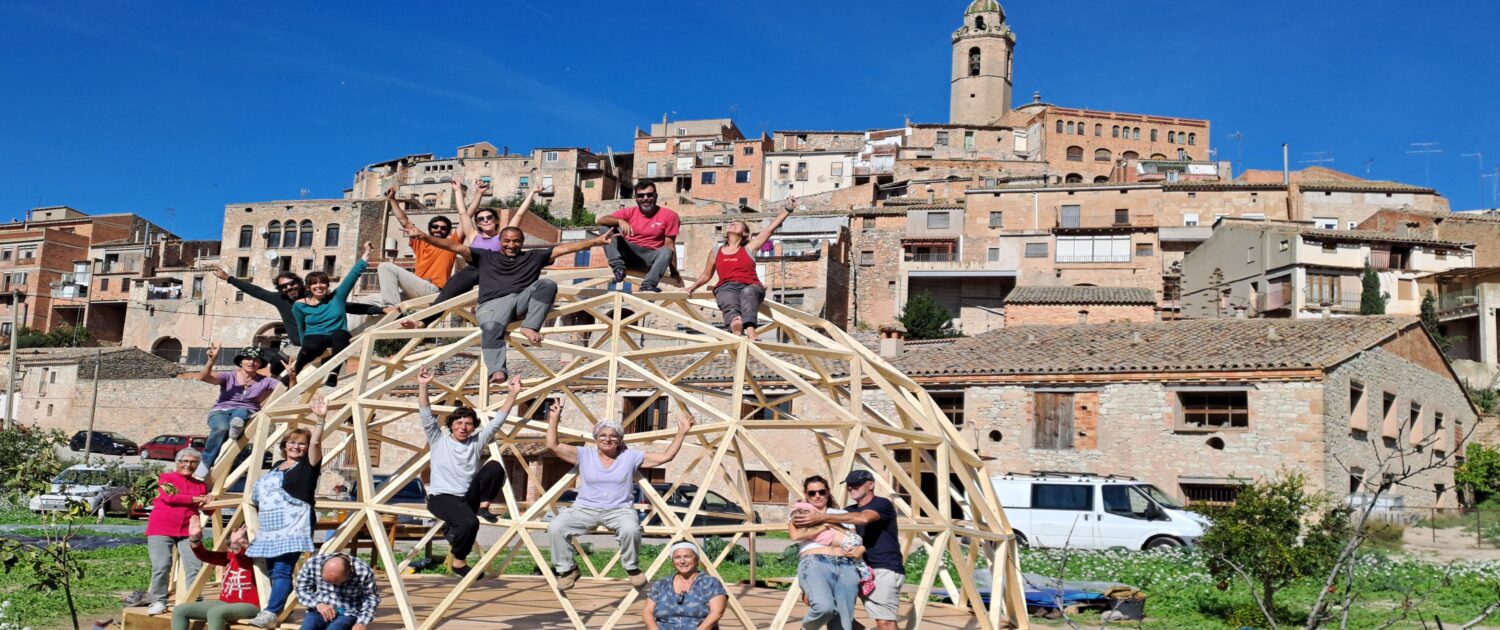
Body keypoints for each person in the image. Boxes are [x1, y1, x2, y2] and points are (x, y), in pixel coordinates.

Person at [404, 222, 612, 383]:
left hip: (520, 302)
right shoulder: (485, 256)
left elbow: (563, 249)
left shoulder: (533, 257)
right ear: (500, 241)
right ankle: (497, 370)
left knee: (547, 285)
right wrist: (424, 236)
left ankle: (530, 326)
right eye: (507, 241)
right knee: (491, 328)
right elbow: (455, 246)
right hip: (492, 305)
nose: (511, 245)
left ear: (522, 242)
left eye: (516, 241)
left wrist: (595, 242)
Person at [545, 398, 694, 589]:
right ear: (596, 438)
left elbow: (666, 456)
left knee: (631, 529)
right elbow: (553, 445)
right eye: (602, 435)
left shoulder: (630, 457)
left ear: (620, 440)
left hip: (619, 510)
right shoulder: (584, 454)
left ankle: (631, 567)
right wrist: (554, 418)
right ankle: (567, 569)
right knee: (555, 526)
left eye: (613, 436)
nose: (607, 439)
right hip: (585, 508)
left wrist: (681, 433)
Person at [417, 366, 519, 578]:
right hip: (442, 497)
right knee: (469, 523)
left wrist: (512, 394)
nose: (463, 427)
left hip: (468, 497)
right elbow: (426, 415)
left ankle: (484, 507)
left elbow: (498, 421)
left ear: (474, 427)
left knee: (494, 467)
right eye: (459, 423)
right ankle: (459, 562)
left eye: (468, 424)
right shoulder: (438, 440)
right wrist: (423, 386)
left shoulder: (476, 442)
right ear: (451, 425)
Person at [401, 177, 539, 330]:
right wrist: (457, 191)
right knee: (450, 288)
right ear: (477, 223)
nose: (485, 220)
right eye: (481, 219)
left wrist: (532, 192)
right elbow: (463, 214)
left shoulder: (503, 236)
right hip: (475, 270)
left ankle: (518, 316)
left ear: (496, 220)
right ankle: (423, 322)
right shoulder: (474, 236)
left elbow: (519, 214)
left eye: (489, 217)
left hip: (495, 270)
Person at [209, 266, 385, 380]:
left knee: (325, 364)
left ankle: (331, 375)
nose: (289, 288)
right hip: (297, 345)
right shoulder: (279, 300)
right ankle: (273, 388)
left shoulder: (315, 297)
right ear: (281, 290)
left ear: (300, 284)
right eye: (284, 286)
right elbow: (256, 291)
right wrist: (229, 279)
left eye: (292, 284)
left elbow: (350, 306)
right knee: (276, 364)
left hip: (322, 340)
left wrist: (379, 310)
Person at [245, 399, 326, 628]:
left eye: (301, 444)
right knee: (273, 570)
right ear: (284, 445)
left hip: (295, 525)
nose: (296, 447)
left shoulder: (309, 465)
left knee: (282, 570)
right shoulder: (277, 465)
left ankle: (271, 613)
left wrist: (320, 419)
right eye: (292, 442)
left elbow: (317, 442)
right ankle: (284, 608)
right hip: (271, 526)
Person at [793, 470, 904, 630]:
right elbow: (845, 536)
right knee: (839, 615)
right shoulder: (846, 512)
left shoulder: (881, 504)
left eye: (856, 484)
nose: (851, 487)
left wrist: (822, 518)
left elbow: (864, 518)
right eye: (849, 485)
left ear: (871, 485)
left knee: (885, 622)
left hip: (881, 567)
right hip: (852, 567)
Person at [684, 197, 795, 340]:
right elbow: (706, 275)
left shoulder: (749, 248)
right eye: (731, 223)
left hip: (751, 285)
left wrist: (787, 209)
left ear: (745, 233)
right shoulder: (716, 252)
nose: (733, 223)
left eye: (738, 223)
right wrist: (692, 287)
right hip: (726, 287)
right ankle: (735, 323)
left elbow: (769, 229)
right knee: (726, 297)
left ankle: (751, 330)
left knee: (748, 293)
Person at [291, 242, 373, 387]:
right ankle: (294, 371)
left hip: (336, 336)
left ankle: (334, 373)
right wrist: (304, 347)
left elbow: (352, 276)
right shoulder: (299, 305)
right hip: (315, 336)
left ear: (327, 286)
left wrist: (366, 253)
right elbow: (301, 327)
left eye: (322, 283)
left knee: (342, 335)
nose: (319, 286)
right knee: (311, 346)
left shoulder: (337, 297)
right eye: (314, 284)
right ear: (309, 287)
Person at [374, 183, 464, 311]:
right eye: (435, 227)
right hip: (417, 290)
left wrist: (476, 193)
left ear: (448, 231)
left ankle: (393, 309)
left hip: (433, 290)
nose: (439, 229)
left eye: (443, 228)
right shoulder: (421, 242)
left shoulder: (452, 244)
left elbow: (465, 217)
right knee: (369, 301)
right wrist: (392, 200)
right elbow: (404, 221)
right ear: (430, 229)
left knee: (385, 266)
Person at [788, 476, 862, 630]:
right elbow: (795, 535)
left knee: (843, 623)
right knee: (824, 608)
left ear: (828, 492)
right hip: (815, 562)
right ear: (806, 495)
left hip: (846, 565)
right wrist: (826, 525)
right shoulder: (802, 512)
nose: (817, 496)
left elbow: (854, 539)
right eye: (812, 493)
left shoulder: (841, 513)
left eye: (821, 492)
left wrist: (860, 548)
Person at [195, 344, 280, 477]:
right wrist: (211, 361)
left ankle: (236, 426)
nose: (251, 362)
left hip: (246, 412)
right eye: (248, 358)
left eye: (255, 360)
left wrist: (292, 376)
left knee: (242, 411)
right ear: (241, 362)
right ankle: (206, 462)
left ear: (259, 364)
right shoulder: (229, 376)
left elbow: (287, 389)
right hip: (220, 411)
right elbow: (204, 378)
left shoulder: (265, 381)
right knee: (222, 428)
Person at [144, 448, 209, 616]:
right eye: (184, 461)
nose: (188, 465)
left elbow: (208, 510)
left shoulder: (200, 485)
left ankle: (193, 601)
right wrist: (196, 499)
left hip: (188, 530)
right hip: (161, 527)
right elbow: (170, 497)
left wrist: (209, 501)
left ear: (197, 465)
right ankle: (159, 601)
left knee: (195, 566)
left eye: (193, 462)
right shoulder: (165, 478)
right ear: (177, 462)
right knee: (162, 565)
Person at [171, 517, 260, 630]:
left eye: (243, 543)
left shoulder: (259, 559)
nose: (235, 549)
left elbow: (244, 562)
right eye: (233, 545)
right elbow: (205, 555)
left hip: (251, 605)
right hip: (225, 602)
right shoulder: (230, 557)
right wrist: (195, 539)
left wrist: (236, 544)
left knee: (215, 613)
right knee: (179, 611)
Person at [598, 182, 681, 292]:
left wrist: (674, 272)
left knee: (666, 251)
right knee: (605, 228)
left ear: (656, 196)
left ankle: (648, 284)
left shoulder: (670, 216)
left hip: (649, 260)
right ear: (636, 198)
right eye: (641, 196)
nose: (645, 198)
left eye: (649, 195)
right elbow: (601, 220)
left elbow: (670, 245)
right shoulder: (629, 212)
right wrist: (619, 221)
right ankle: (618, 268)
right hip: (627, 256)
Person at [642, 542, 728, 630]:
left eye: (687, 556)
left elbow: (717, 612)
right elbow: (647, 611)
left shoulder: (710, 583)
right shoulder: (661, 584)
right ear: (673, 561)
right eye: (677, 557)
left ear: (696, 559)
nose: (682, 561)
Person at [293, 553, 380, 630]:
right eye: (328, 582)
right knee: (308, 627)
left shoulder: (363, 571)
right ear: (321, 568)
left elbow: (370, 598)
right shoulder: (312, 564)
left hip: (348, 612)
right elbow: (301, 589)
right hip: (318, 609)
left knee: (335, 628)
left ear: (349, 573)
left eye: (337, 582)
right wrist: (317, 603)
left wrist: (362, 622)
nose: (333, 586)